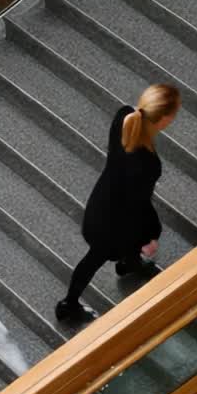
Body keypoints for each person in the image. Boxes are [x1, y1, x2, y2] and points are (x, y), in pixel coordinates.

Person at [56, 83, 181, 321]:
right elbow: (140, 205)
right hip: (114, 222)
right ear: (164, 119)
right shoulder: (148, 163)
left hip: (102, 201)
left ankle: (129, 264)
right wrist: (152, 234)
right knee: (96, 257)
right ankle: (68, 304)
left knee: (111, 248)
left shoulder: (125, 114)